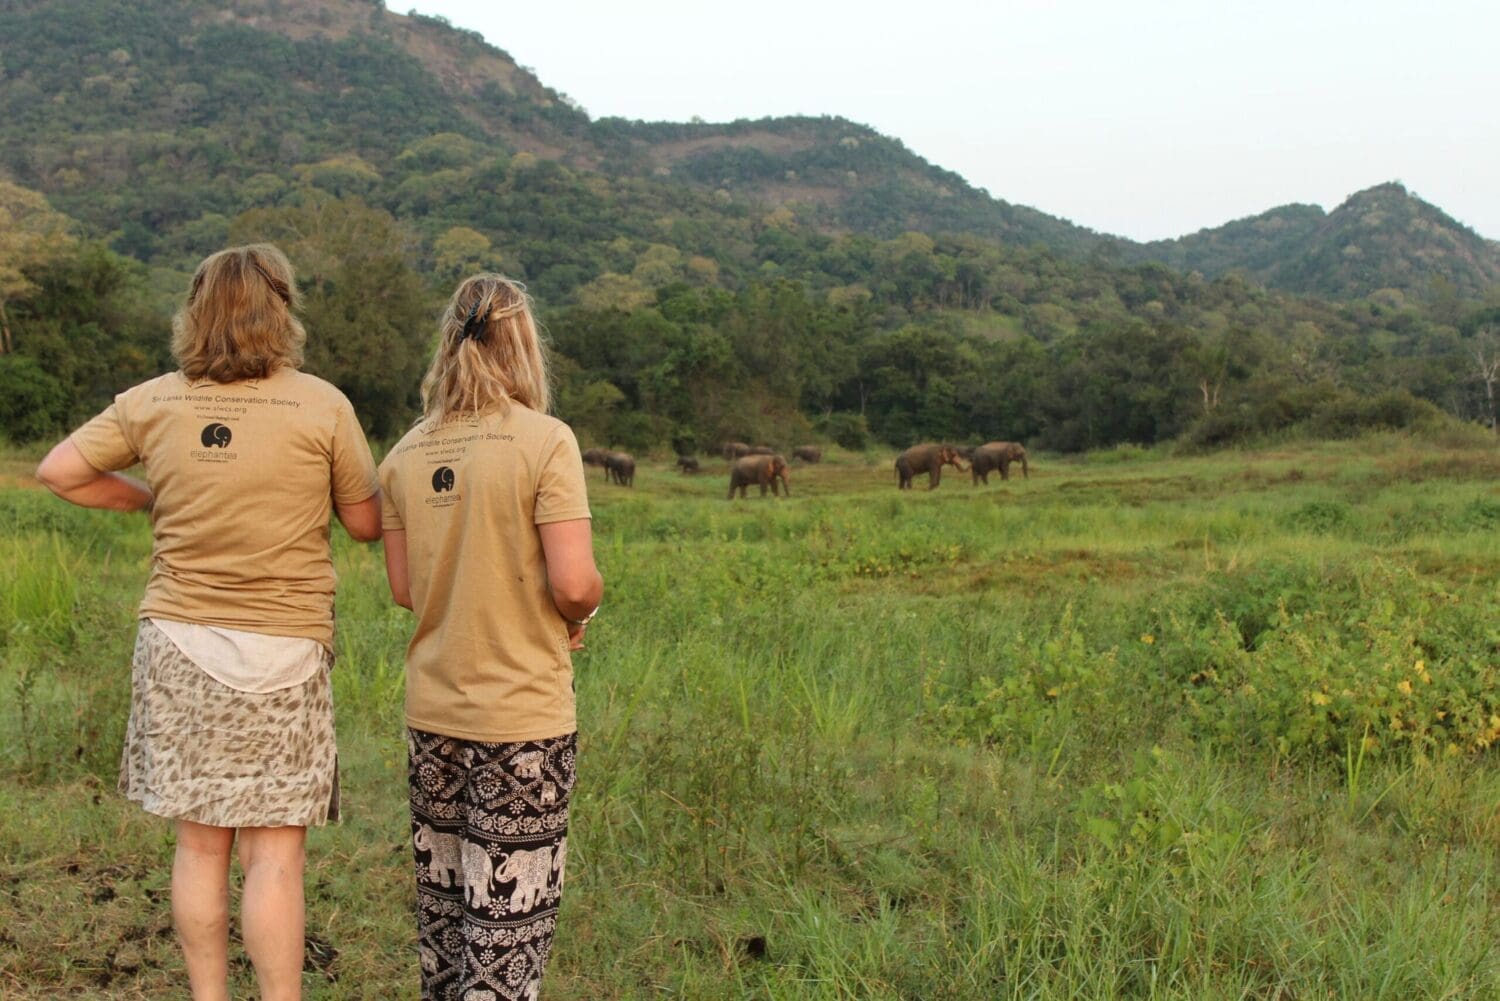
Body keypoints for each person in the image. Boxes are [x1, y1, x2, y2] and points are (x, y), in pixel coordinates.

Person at [34, 244, 382, 1001]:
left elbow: (59, 470)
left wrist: (148, 497)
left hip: (178, 643)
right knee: (275, 858)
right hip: (285, 649)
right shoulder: (323, 404)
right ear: (281, 311)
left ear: (195, 310)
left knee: (199, 845)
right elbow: (364, 523)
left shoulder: (154, 400)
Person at [378, 274, 602, 1001]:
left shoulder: (404, 454)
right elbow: (573, 583)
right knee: (507, 934)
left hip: (433, 715)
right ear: (524, 345)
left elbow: (406, 588)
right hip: (522, 723)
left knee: (445, 924)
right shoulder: (547, 442)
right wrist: (581, 612)